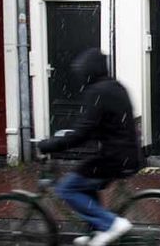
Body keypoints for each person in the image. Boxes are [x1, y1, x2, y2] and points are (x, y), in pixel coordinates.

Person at [37, 49, 140, 246]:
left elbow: (83, 132)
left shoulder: (97, 92)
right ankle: (96, 230)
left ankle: (109, 224)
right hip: (129, 154)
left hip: (113, 158)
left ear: (88, 72)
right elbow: (102, 125)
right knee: (85, 182)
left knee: (67, 188)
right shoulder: (117, 87)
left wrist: (50, 145)